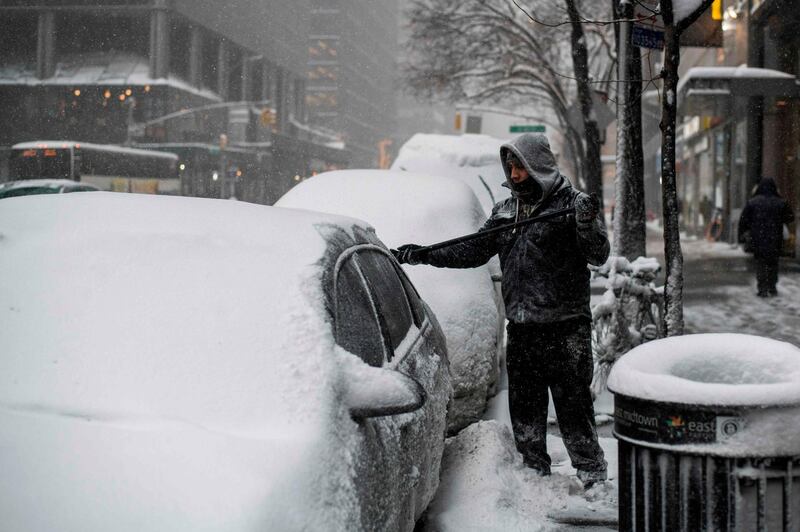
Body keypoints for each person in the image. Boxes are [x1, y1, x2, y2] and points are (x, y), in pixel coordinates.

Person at [392, 133, 608, 487]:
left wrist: (586, 223)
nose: (514, 172)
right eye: (510, 165)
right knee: (525, 409)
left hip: (566, 328)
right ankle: (534, 474)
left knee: (574, 409)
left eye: (520, 165)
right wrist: (425, 254)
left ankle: (592, 476)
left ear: (538, 165)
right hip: (522, 328)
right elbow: (474, 250)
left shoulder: (573, 205)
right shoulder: (506, 211)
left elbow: (598, 254)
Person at [738, 177, 795, 297]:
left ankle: (762, 288)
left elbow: (743, 220)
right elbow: (790, 217)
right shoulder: (780, 202)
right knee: (773, 263)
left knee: (761, 263)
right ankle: (772, 287)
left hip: (758, 239)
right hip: (775, 239)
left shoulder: (753, 202)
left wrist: (742, 235)